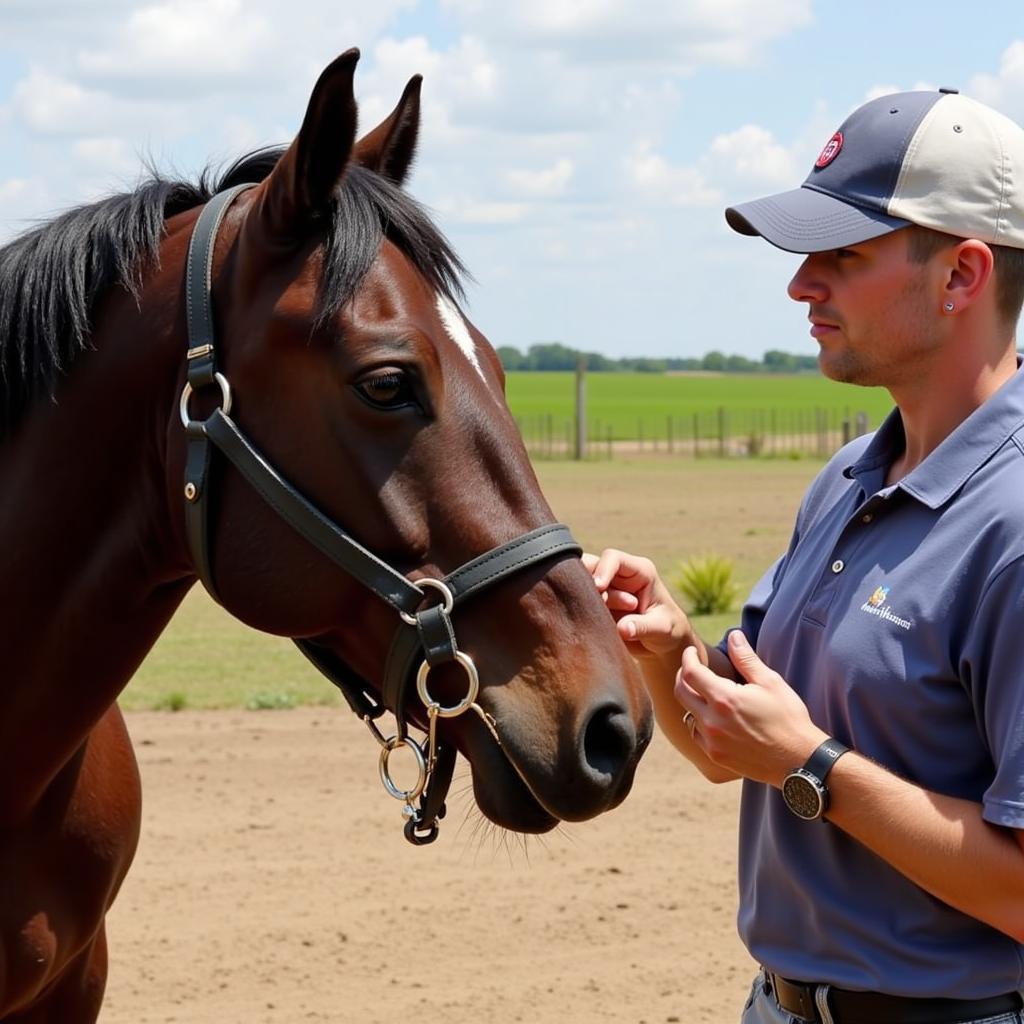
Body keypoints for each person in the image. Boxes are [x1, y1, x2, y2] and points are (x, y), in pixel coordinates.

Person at [589, 88, 1024, 1024]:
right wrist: (671, 656)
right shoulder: (845, 481)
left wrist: (814, 766)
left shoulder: (1015, 529)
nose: (799, 285)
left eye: (843, 256)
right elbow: (732, 755)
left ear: (962, 275)